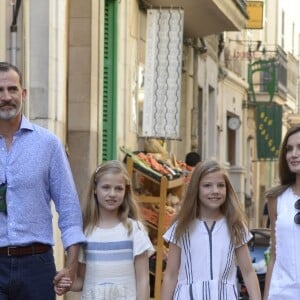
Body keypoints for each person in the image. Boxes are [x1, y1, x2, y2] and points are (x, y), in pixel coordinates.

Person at [0, 61, 86, 299]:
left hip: (36, 265)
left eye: (12, 89)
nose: (6, 97)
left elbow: (68, 208)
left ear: (23, 93)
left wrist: (72, 265)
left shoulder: (48, 144)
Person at [160, 160, 261, 300]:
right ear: (196, 189)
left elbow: (248, 271)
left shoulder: (235, 225)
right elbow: (171, 275)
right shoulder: (181, 226)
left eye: (220, 185)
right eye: (207, 185)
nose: (215, 191)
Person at [56, 160, 154, 299]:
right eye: (106, 187)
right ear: (95, 189)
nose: (112, 194)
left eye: (119, 188)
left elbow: (143, 281)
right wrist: (65, 283)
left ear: (126, 191)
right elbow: (82, 281)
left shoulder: (134, 230)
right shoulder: (85, 232)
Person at [263, 126, 300, 300]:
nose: (293, 154)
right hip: (281, 293)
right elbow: (274, 256)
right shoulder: (275, 198)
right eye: (289, 149)